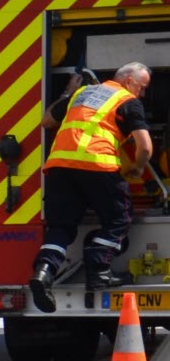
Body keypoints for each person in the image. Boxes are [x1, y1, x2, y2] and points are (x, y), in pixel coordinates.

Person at [28, 62, 153, 312]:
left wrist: (67, 92)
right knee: (119, 217)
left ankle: (43, 272)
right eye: (142, 87)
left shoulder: (81, 94)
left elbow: (47, 121)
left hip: (60, 167)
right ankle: (98, 270)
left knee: (61, 227)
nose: (142, 94)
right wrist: (138, 167)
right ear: (129, 81)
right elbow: (146, 147)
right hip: (97, 165)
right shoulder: (127, 101)